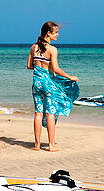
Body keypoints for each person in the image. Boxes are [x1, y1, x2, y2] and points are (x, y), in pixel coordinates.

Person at [28, 21, 79, 151]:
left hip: (36, 83)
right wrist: (70, 77)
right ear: (48, 34)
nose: (58, 34)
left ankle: (37, 145)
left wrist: (41, 68)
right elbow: (56, 69)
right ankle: (51, 145)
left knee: (38, 113)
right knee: (50, 113)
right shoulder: (52, 50)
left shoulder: (34, 47)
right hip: (47, 84)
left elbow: (29, 66)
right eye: (55, 32)